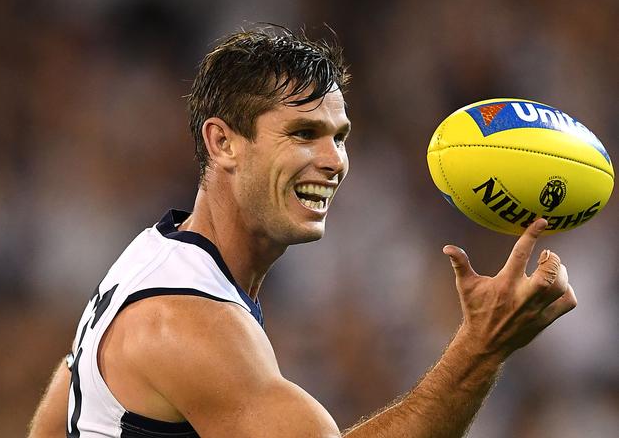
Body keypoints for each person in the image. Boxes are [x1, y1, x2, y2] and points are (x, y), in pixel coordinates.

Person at [28, 27, 577, 438]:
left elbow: (68, 397)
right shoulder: (188, 324)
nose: (333, 160)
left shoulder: (157, 253)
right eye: (303, 133)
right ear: (223, 143)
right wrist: (482, 348)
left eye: (339, 137)